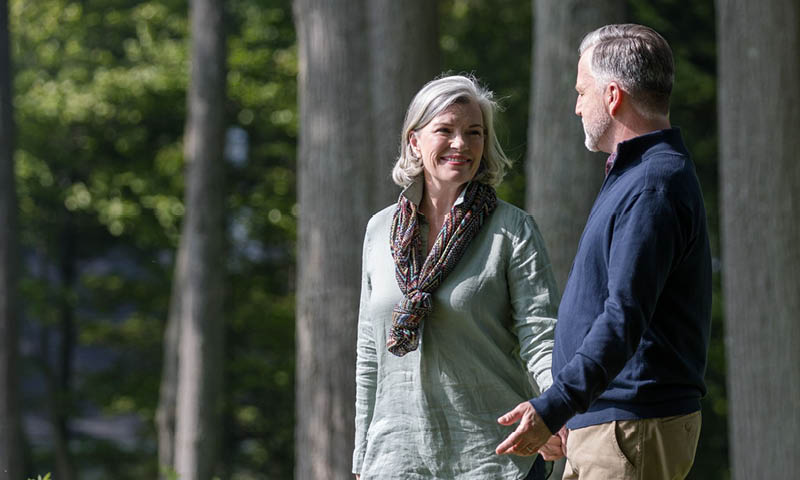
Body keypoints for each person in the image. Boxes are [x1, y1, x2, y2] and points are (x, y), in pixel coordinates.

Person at [495, 24, 712, 480]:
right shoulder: (640, 177)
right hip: (613, 427)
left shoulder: (652, 185)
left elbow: (623, 316)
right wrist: (571, 411)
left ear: (613, 96)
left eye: (581, 91)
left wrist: (556, 406)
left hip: (630, 429)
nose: (577, 106)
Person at [352, 75, 560, 480]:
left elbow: (542, 337)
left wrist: (556, 411)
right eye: (445, 130)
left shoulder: (512, 229)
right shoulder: (379, 231)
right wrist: (362, 457)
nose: (460, 144)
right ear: (415, 141)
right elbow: (368, 353)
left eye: (474, 133)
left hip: (493, 458)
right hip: (397, 460)